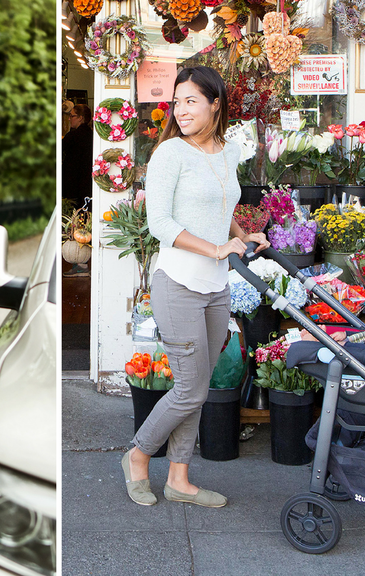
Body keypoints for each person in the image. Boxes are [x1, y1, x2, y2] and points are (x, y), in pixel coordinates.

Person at [120, 66, 269, 508]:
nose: (181, 110)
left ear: (215, 103)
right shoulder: (170, 154)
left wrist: (243, 236)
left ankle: (180, 479)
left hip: (215, 288)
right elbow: (161, 224)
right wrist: (217, 250)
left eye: (191, 101)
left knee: (198, 385)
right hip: (179, 284)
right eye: (177, 101)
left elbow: (222, 207)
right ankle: (138, 455)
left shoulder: (228, 152)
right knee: (190, 389)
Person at [62, 103, 93, 204]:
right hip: (87, 181)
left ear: (80, 118)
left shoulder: (73, 135)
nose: (69, 119)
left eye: (72, 116)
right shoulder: (92, 134)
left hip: (72, 181)